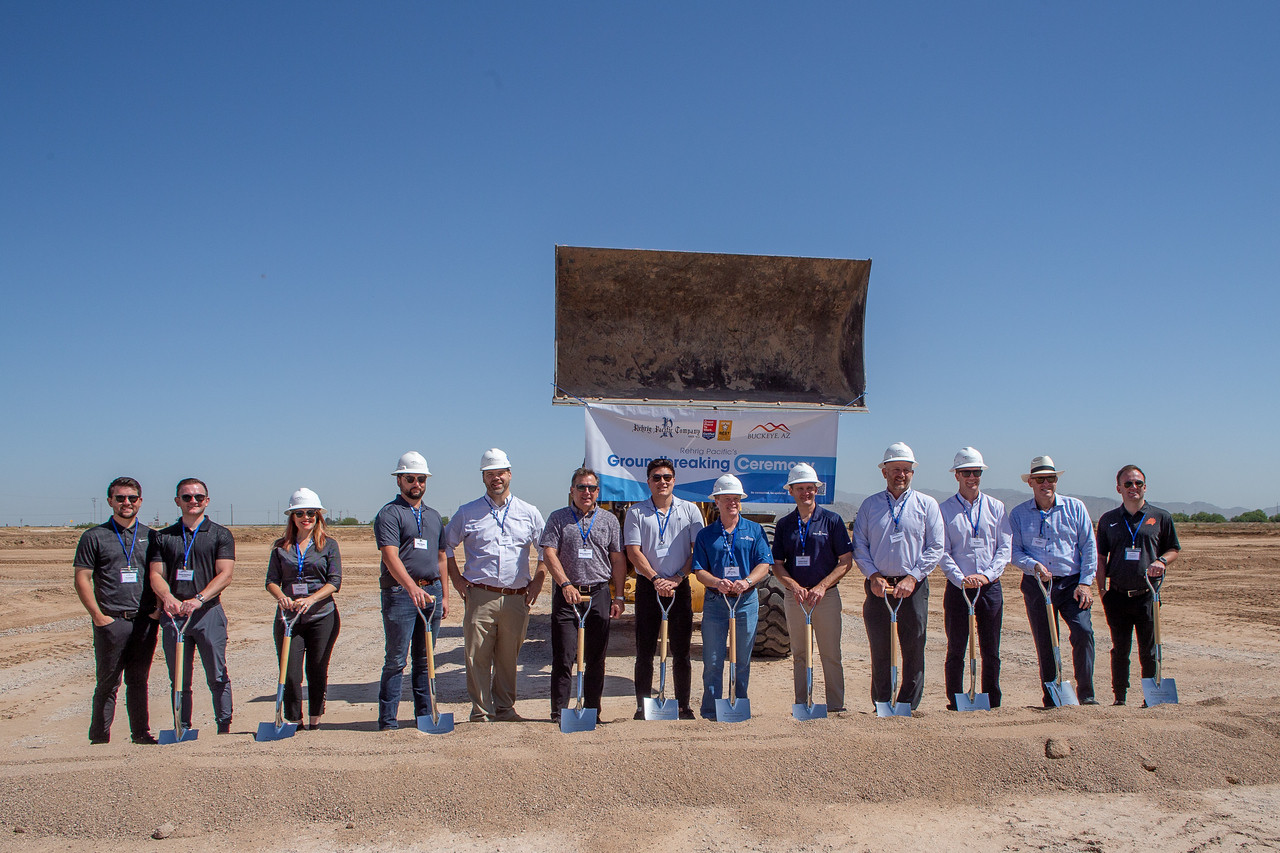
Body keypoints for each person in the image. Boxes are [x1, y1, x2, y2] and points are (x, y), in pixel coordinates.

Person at [444, 448, 547, 722]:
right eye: (490, 474)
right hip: (480, 595)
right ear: (483, 478)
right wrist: (456, 579)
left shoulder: (529, 512)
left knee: (508, 658)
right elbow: (446, 546)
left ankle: (504, 708)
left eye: (500, 473)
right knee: (477, 656)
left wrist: (538, 580)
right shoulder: (468, 512)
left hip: (517, 597)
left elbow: (546, 549)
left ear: (510, 474)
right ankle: (481, 711)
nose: (496, 478)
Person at [852, 442, 944, 712]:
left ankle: (907, 704)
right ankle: (881, 703)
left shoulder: (927, 505)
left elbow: (936, 546)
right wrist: (873, 575)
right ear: (884, 472)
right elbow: (860, 546)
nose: (900, 474)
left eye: (905, 469)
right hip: (878, 587)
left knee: (914, 646)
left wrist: (913, 577)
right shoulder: (870, 506)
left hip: (912, 586)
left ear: (912, 472)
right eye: (895, 469)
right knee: (880, 648)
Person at [73, 477, 159, 744]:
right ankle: (99, 737)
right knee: (108, 683)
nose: (126, 503)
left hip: (144, 621)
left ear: (140, 502)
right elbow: (82, 578)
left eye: (132, 498)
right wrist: (99, 617)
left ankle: (141, 733)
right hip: (112, 621)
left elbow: (160, 576)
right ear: (110, 501)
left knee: (138, 680)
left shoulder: (152, 537)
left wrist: (156, 611)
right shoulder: (94, 537)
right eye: (120, 498)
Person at [147, 478, 236, 733]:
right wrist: (168, 598)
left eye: (198, 497)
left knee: (217, 675)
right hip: (174, 616)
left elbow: (225, 574)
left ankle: (224, 726)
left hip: (208, 613)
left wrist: (199, 599)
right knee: (179, 678)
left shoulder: (220, 534)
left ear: (207, 500)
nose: (193, 501)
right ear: (178, 501)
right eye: (187, 497)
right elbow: (156, 574)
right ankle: (181, 727)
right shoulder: (163, 537)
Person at [1010, 455, 1099, 706]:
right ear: (1031, 482)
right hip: (1038, 585)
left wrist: (1085, 583)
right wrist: (1033, 566)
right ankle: (1052, 696)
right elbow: (1014, 551)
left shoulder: (1075, 507)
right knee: (1046, 641)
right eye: (1040, 479)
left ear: (1056, 481)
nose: (1045, 483)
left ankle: (1087, 695)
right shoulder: (1018, 514)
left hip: (1072, 584)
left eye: (1050, 478)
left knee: (1083, 632)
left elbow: (1088, 546)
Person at [541, 467, 627, 723]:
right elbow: (548, 553)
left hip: (598, 593)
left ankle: (592, 711)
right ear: (572, 490)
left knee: (596, 658)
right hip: (568, 594)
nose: (586, 492)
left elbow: (618, 558)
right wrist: (565, 583)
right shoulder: (558, 518)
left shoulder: (609, 520)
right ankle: (559, 713)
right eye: (581, 487)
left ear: (597, 492)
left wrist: (619, 596)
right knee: (564, 656)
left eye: (591, 488)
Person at [625, 458, 704, 720]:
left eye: (667, 477)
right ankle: (642, 706)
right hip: (649, 588)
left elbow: (697, 550)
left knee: (681, 651)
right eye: (657, 477)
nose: (663, 481)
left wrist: (679, 577)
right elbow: (633, 552)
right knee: (645, 651)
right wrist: (656, 579)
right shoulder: (636, 512)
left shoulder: (690, 510)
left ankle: (683, 706)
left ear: (674, 480)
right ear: (648, 481)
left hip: (679, 587)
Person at [374, 452, 448, 730]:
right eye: (410, 479)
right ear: (399, 481)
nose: (415, 483)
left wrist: (445, 596)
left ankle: (425, 717)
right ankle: (388, 721)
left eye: (420, 479)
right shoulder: (389, 514)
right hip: (400, 596)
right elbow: (390, 557)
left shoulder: (433, 516)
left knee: (425, 659)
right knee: (395, 659)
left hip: (432, 593)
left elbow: (442, 557)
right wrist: (411, 587)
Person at [1096, 465, 1181, 705]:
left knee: (1149, 649)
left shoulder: (1160, 517)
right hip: (1118, 595)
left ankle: (1151, 697)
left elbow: (1173, 548)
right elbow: (1101, 558)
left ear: (1145, 486)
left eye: (1138, 483)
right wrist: (1103, 591)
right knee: (1120, 649)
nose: (1133, 488)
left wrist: (1162, 561)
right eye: (1128, 484)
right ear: (1118, 488)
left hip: (1147, 595)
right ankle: (1120, 698)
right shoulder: (1109, 520)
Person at [772, 462, 853, 713]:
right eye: (800, 488)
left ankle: (836, 706)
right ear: (791, 491)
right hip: (795, 598)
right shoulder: (785, 524)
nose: (806, 493)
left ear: (816, 490)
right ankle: (802, 704)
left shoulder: (832, 520)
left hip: (825, 597)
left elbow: (846, 561)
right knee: (799, 654)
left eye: (810, 488)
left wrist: (822, 586)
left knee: (830, 654)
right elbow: (777, 565)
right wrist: (793, 586)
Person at [691, 474, 774, 720]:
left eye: (736, 498)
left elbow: (765, 564)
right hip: (717, 603)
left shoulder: (754, 529)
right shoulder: (706, 535)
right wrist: (717, 582)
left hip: (745, 601)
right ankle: (710, 710)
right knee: (713, 660)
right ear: (716, 501)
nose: (732, 503)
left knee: (741, 660)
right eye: (727, 499)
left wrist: (747, 581)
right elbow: (699, 571)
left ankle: (738, 705)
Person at [938, 448, 1012, 709]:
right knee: (956, 647)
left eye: (976, 472)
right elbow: (942, 550)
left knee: (991, 648)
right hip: (959, 588)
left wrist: (986, 576)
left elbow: (1004, 548)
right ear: (957, 475)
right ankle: (956, 699)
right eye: (967, 472)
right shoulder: (945, 510)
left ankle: (991, 699)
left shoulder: (996, 507)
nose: (972, 477)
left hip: (989, 587)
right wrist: (961, 578)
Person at [265, 488, 341, 730]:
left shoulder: (329, 545)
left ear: (318, 516)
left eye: (310, 513)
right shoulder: (280, 547)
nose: (305, 517)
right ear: (292, 517)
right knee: (290, 673)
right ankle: (293, 720)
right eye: (300, 513)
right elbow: (271, 581)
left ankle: (315, 720)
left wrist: (312, 599)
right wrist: (281, 597)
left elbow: (334, 582)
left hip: (322, 616)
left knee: (317, 669)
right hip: (289, 619)